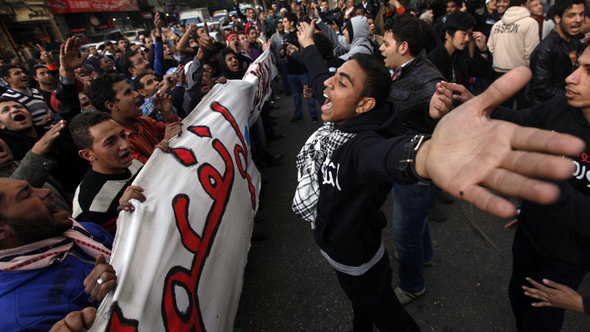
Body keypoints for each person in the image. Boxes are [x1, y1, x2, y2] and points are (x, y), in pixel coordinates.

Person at [293, 19, 584, 332]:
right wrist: (309, 43)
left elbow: (387, 154)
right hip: (529, 232)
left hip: (358, 258)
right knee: (516, 296)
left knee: (397, 278)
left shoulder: (358, 147)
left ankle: (412, 283)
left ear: (365, 104)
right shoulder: (345, 119)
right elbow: (323, 76)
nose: (326, 84)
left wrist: (426, 155)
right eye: (333, 79)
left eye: (342, 82)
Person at [379, 14, 445, 305]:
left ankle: (411, 285)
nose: (381, 47)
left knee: (404, 234)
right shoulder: (403, 70)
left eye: (386, 43)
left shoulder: (430, 82)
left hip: (416, 170)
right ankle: (425, 256)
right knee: (416, 223)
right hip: (406, 162)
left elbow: (442, 120)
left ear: (403, 46)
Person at [0, 178, 117, 331]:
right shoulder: (22, 315)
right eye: (26, 195)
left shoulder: (82, 230)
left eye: (33, 187)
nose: (45, 191)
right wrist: (105, 308)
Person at [70, 112, 145, 235]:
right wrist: (124, 217)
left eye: (123, 135)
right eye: (110, 143)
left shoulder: (134, 164)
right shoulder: (89, 208)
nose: (125, 145)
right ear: (88, 155)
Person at [86, 73, 181, 164]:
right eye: (128, 92)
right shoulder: (119, 145)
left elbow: (179, 133)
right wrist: (166, 142)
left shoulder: (143, 121)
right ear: (112, 105)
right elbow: (148, 172)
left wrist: (169, 115)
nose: (136, 94)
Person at [529, 0, 585, 104]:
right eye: (571, 15)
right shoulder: (545, 50)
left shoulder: (575, 41)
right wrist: (571, 96)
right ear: (558, 18)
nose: (578, 19)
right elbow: (541, 89)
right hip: (550, 110)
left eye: (581, 14)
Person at [428, 11, 492, 87]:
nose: (467, 39)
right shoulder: (434, 59)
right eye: (464, 34)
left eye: (469, 34)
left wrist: (483, 50)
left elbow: (479, 71)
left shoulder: (461, 54)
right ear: (448, 33)